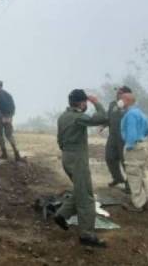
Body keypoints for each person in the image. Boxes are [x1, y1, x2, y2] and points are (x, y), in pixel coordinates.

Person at [52, 89, 109, 248]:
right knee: (87, 198)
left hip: (67, 157)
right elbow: (103, 117)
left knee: (80, 190)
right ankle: (86, 235)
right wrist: (96, 102)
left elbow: (59, 140)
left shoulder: (63, 117)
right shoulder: (78, 118)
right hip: (77, 160)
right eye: (85, 103)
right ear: (81, 102)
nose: (86, 106)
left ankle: (62, 215)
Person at [120, 92, 148, 212]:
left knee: (133, 176)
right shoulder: (141, 113)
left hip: (134, 148)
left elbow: (132, 134)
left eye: (121, 99)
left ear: (127, 101)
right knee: (142, 174)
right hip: (143, 147)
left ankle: (138, 204)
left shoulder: (130, 115)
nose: (120, 102)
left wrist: (129, 146)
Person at [103, 86, 130, 190]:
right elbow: (108, 118)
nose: (117, 94)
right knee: (109, 158)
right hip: (113, 137)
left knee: (126, 162)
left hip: (125, 139)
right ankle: (118, 178)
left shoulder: (130, 107)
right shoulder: (112, 105)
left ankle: (130, 184)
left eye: (120, 93)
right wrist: (103, 125)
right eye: (117, 93)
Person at [0, 80, 21, 161]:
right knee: (9, 135)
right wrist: (10, 117)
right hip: (9, 117)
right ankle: (16, 153)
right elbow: (13, 107)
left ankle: (4, 154)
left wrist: (1, 117)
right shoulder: (8, 95)